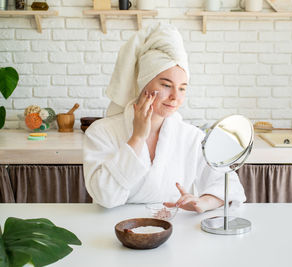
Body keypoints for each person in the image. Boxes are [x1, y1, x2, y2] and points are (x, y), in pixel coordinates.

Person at [83, 23, 246, 212]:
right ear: (144, 84)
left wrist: (204, 202)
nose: (175, 97)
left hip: (171, 229)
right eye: (166, 85)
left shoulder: (191, 137)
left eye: (182, 88)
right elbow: (104, 196)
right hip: (113, 230)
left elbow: (230, 186)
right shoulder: (101, 132)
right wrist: (137, 138)